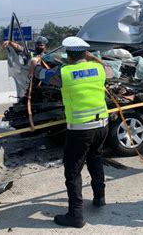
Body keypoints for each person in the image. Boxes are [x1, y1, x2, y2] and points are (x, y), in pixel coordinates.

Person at [31, 36, 113, 228]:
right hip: (102, 125)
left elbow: (40, 74)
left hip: (80, 129)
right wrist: (95, 58)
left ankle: (75, 215)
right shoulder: (100, 69)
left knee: (73, 171)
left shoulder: (64, 72)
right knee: (96, 159)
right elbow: (111, 71)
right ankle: (99, 198)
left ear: (68, 54)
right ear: (86, 53)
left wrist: (34, 62)